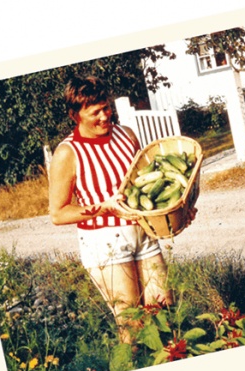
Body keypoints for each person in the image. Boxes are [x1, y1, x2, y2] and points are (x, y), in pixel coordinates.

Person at [48, 76, 195, 344]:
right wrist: (103, 207)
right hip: (104, 242)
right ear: (75, 115)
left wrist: (178, 211)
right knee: (133, 324)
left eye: (106, 108)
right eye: (95, 112)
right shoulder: (67, 153)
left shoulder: (126, 135)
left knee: (164, 313)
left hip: (144, 234)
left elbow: (148, 182)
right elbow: (58, 213)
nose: (105, 116)